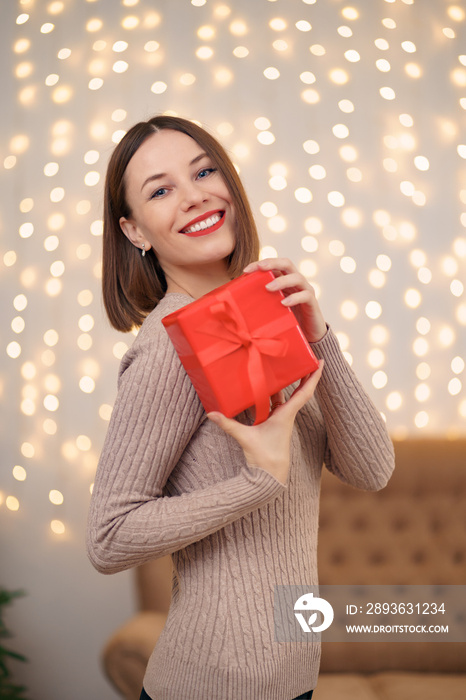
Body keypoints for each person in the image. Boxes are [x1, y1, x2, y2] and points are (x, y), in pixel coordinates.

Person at [86, 115, 395, 700]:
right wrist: (255, 482)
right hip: (214, 685)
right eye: (160, 189)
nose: (194, 194)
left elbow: (371, 470)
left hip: (291, 676)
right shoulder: (167, 351)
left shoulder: (264, 315)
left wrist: (318, 334)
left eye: (203, 171)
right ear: (135, 231)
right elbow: (108, 537)